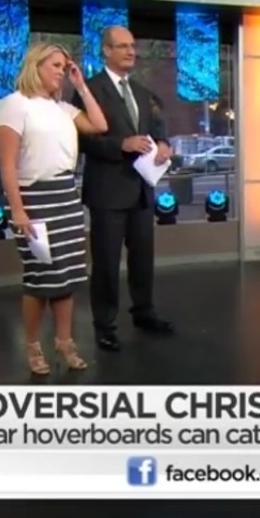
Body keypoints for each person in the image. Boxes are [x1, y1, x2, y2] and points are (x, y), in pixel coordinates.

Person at [0, 42, 109, 375]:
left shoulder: (63, 109)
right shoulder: (14, 105)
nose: (61, 71)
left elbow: (100, 125)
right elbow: (7, 165)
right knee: (41, 277)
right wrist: (18, 210)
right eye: (55, 65)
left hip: (66, 196)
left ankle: (64, 341)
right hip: (34, 198)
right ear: (36, 65)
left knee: (67, 275)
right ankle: (32, 345)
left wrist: (81, 86)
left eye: (64, 66)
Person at [73, 25, 175, 353]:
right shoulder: (89, 91)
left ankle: (144, 312)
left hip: (142, 189)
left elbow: (157, 130)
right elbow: (83, 141)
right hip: (107, 192)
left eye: (132, 45)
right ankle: (104, 325)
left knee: (143, 258)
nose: (131, 51)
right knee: (105, 262)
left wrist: (163, 144)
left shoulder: (142, 93)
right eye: (122, 46)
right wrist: (121, 144)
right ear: (106, 50)